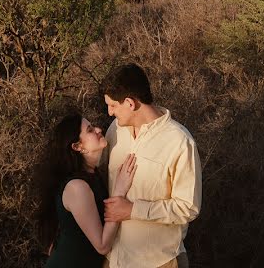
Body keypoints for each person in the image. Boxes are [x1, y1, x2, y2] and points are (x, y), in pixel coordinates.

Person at [101, 63, 202, 268]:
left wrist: (133, 210)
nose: (109, 112)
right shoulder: (116, 130)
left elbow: (188, 207)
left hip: (158, 262)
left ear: (130, 103)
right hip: (113, 259)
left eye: (113, 105)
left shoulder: (180, 142)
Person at [36, 113, 137, 268]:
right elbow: (102, 246)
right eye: (90, 130)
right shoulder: (77, 187)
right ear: (77, 146)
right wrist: (119, 193)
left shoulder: (93, 175)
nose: (98, 129)